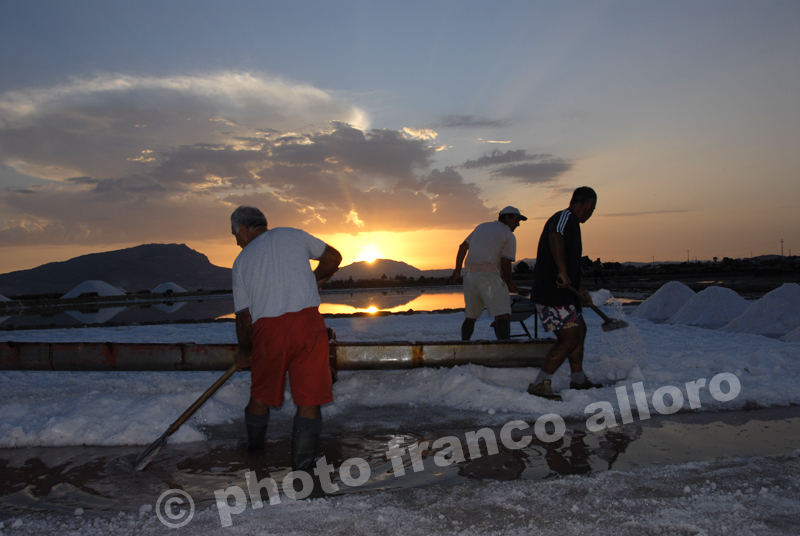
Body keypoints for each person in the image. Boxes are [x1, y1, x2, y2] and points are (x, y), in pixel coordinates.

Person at [229, 206, 342, 475]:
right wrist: (314, 280)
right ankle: (303, 468)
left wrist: (245, 351)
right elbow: (334, 258)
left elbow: (244, 318)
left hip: (269, 332)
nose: (235, 240)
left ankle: (255, 451)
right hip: (308, 325)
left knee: (260, 394)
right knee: (309, 399)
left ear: (244, 229)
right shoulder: (292, 235)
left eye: (234, 233)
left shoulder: (242, 262)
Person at [527, 187, 601, 400]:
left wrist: (580, 291)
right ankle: (540, 384)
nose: (591, 213)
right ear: (584, 205)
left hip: (566, 292)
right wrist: (561, 271)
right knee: (569, 338)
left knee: (581, 330)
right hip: (552, 292)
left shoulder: (574, 225)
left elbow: (572, 265)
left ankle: (578, 379)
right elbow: (555, 236)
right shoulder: (564, 218)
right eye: (592, 208)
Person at [450, 206, 527, 341]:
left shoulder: (482, 227)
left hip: (469, 277)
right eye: (517, 220)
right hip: (490, 277)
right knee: (502, 315)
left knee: (471, 316)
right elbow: (505, 263)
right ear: (509, 217)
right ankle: (504, 347)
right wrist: (509, 284)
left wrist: (457, 271)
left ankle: (464, 345)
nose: (518, 224)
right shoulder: (508, 235)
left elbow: (463, 247)